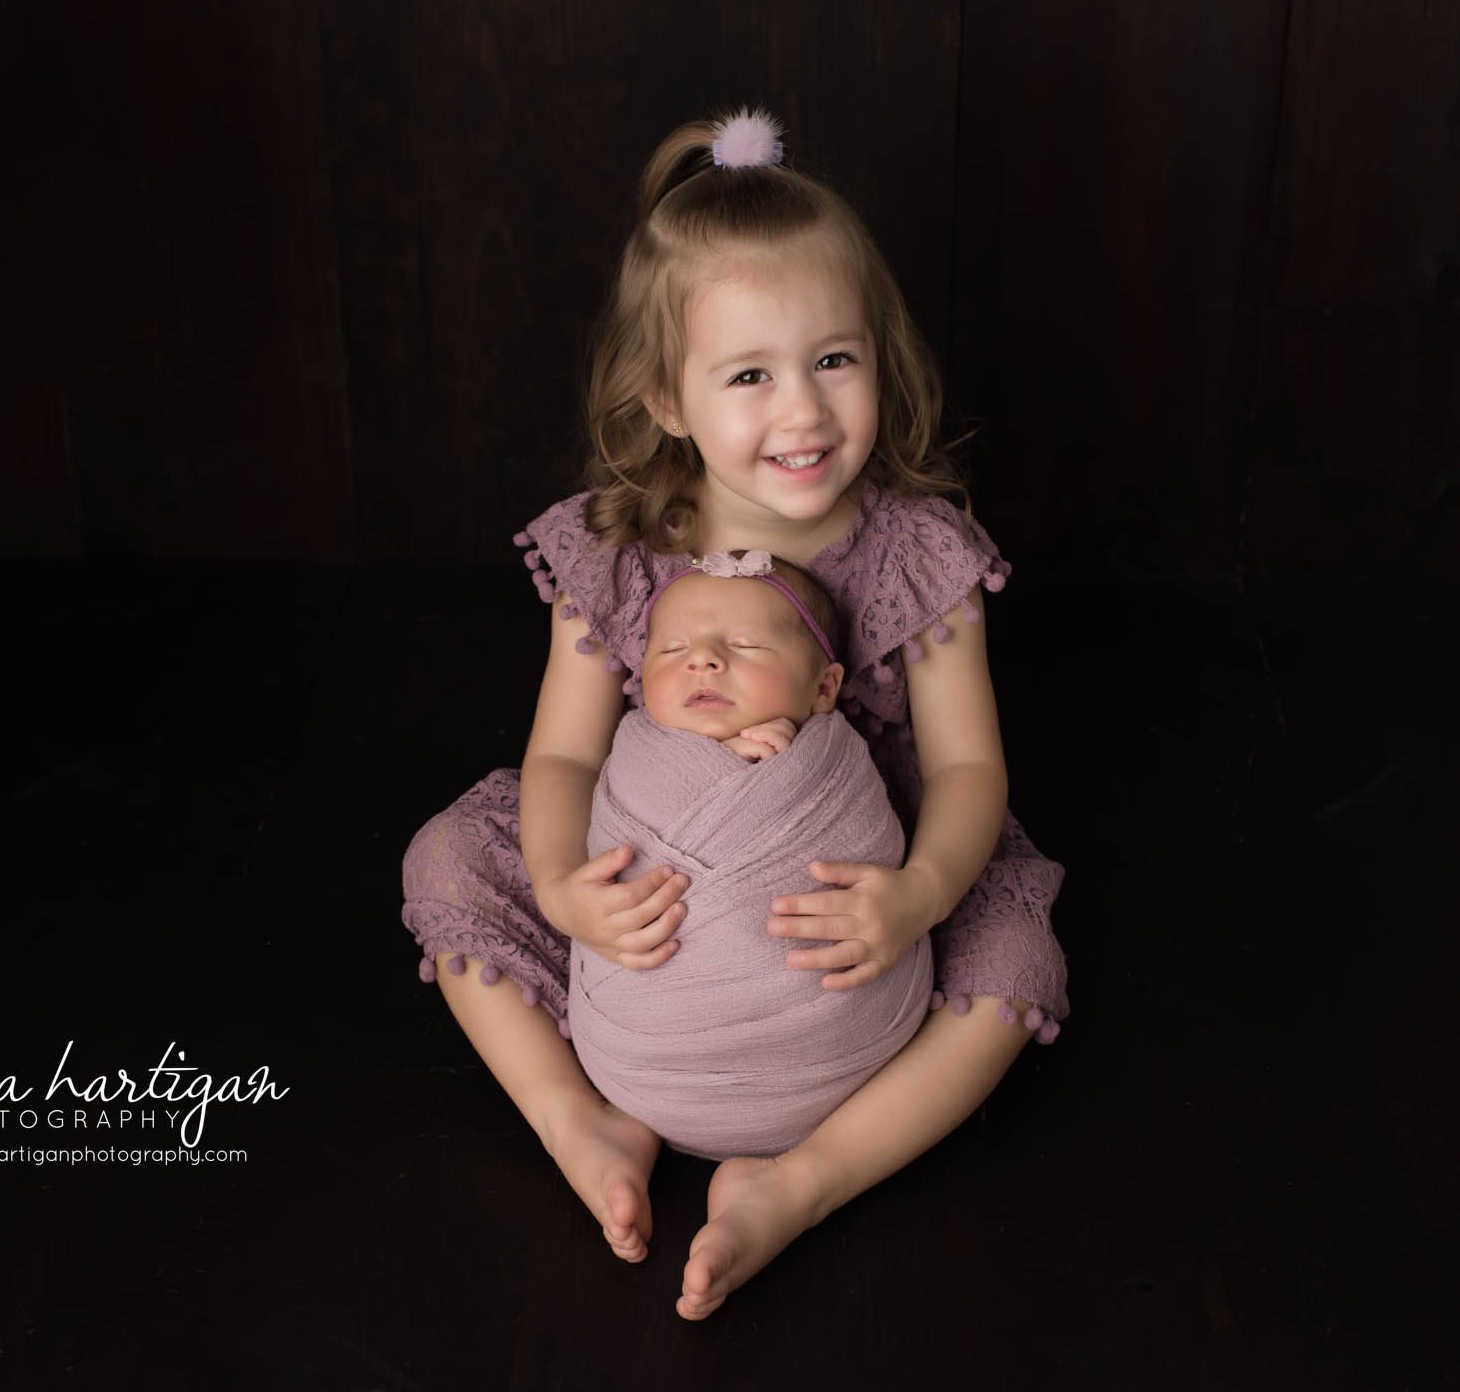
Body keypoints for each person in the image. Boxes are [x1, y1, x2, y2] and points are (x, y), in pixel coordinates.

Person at [401, 106, 1068, 1322]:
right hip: (648, 895)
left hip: (859, 895)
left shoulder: (917, 553)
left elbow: (970, 771)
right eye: (750, 376)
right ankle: (579, 1121)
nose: (802, 412)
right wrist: (560, 889)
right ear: (665, 398)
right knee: (450, 853)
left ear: (880, 354)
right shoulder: (620, 551)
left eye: (834, 359)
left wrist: (916, 895)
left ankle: (802, 1181)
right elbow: (560, 749)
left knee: (1014, 962)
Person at [569, 549, 933, 1163]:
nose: (704, 659)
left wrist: (787, 776)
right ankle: (576, 1123)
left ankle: (806, 1179)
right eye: (671, 649)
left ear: (824, 688)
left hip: (833, 1065)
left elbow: (870, 848)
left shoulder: (832, 765)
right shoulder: (636, 753)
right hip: (643, 1056)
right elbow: (607, 851)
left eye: (746, 645)